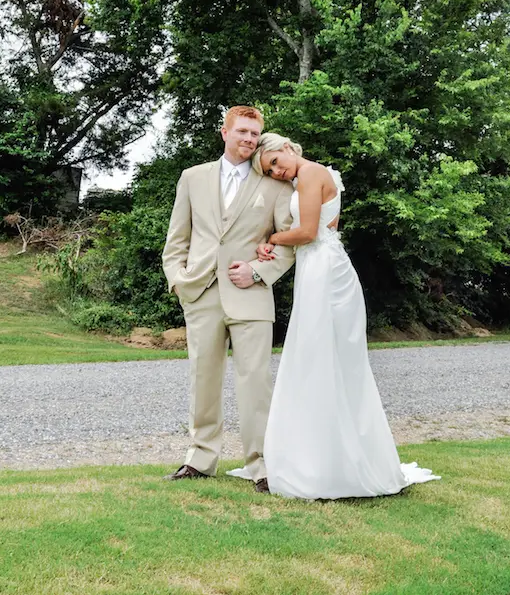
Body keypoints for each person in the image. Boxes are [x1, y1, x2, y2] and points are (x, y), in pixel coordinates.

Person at [235, 132, 439, 500]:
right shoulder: (307, 176)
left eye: (275, 163)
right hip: (316, 268)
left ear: (285, 148)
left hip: (326, 272)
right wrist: (277, 237)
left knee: (324, 358)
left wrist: (271, 239)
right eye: (270, 171)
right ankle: (316, 457)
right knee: (315, 359)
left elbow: (310, 231)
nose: (277, 172)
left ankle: (334, 464)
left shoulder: (311, 172)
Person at [161, 107, 295, 492]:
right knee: (202, 378)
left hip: (251, 295)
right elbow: (176, 242)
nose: (249, 139)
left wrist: (257, 271)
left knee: (255, 382)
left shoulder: (275, 184)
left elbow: (288, 244)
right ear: (225, 132)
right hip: (201, 293)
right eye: (242, 131)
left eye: (255, 134)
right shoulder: (192, 178)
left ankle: (261, 465)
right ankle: (201, 459)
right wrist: (179, 282)